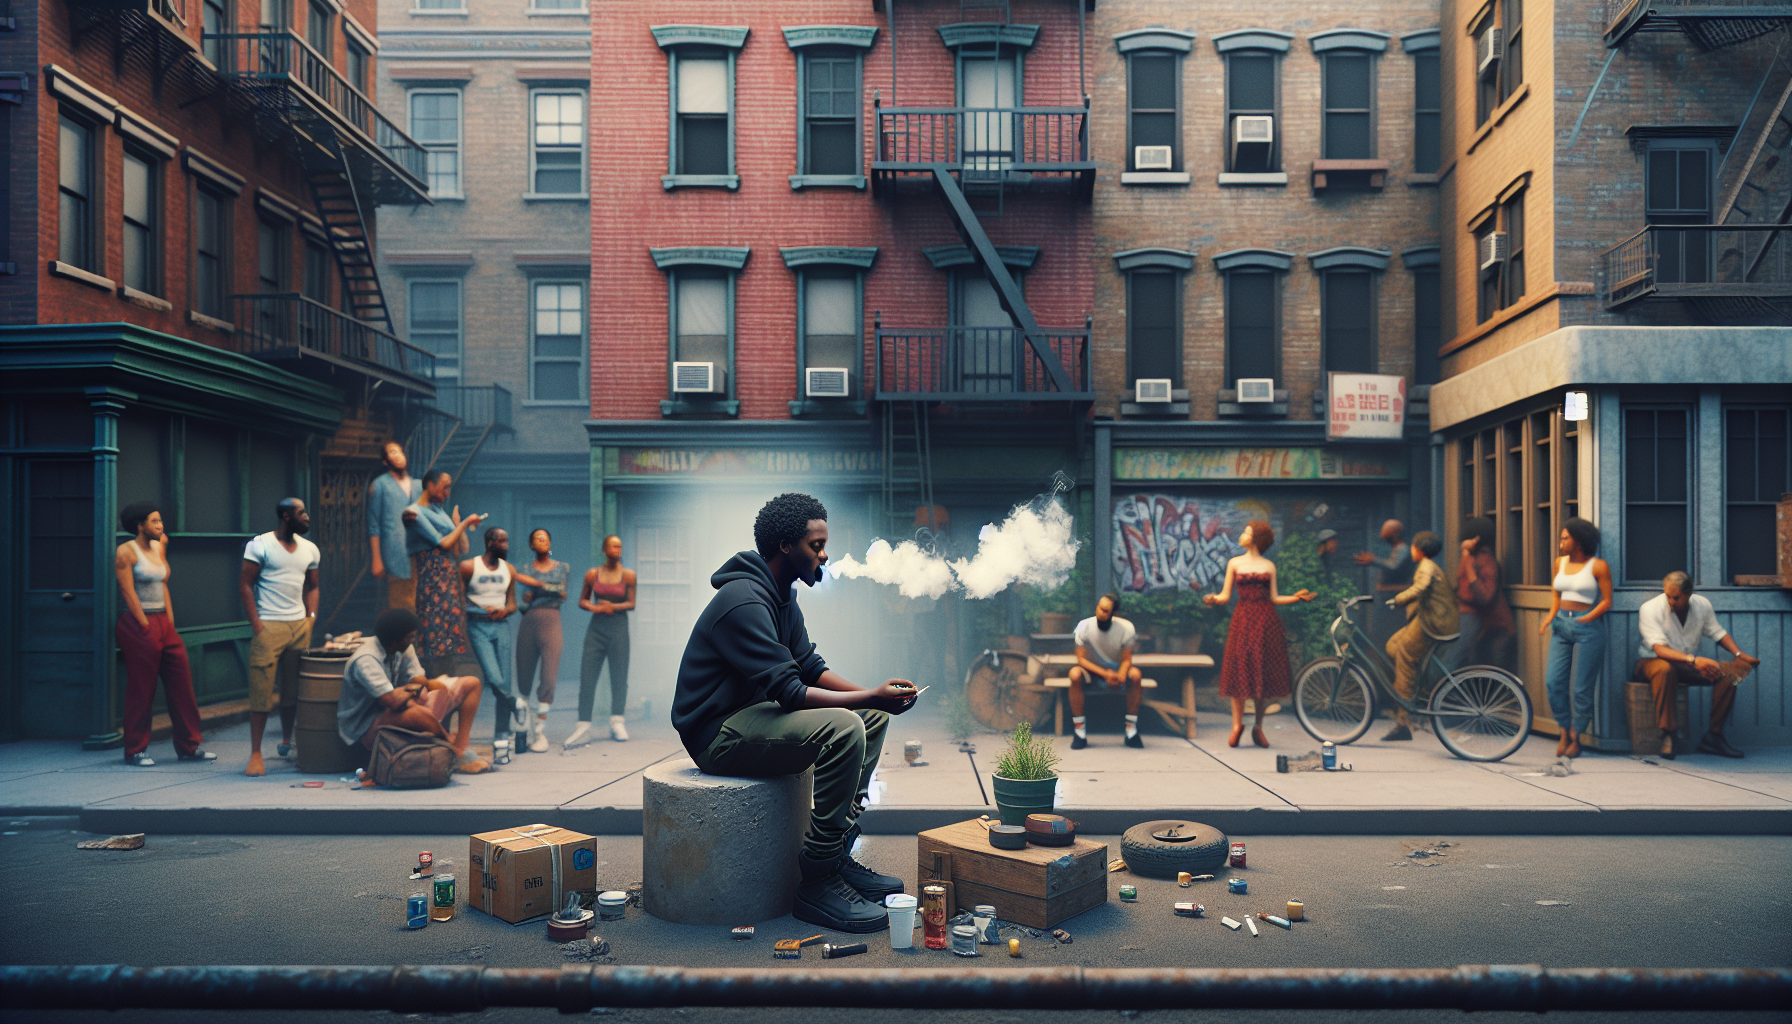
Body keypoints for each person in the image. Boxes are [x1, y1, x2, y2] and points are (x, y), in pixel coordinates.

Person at [672, 492, 917, 933]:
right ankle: (818, 879)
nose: (824, 555)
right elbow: (791, 692)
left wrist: (876, 698)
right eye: (816, 546)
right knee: (846, 726)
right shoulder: (743, 602)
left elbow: (811, 669)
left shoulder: (783, 597)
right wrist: (868, 697)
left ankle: (837, 848)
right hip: (717, 735)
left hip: (754, 714)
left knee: (870, 718)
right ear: (786, 546)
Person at [113, 501, 215, 767]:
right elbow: (127, 591)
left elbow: (163, 582)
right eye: (154, 521)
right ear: (140, 526)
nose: (160, 526)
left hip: (162, 621)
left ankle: (189, 747)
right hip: (137, 622)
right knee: (141, 687)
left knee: (181, 682)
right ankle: (135, 750)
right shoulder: (126, 552)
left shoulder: (161, 544)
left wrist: (169, 622)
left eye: (161, 521)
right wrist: (144, 625)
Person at [337, 608, 490, 774]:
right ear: (395, 641)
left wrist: (415, 689)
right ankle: (454, 750)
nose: (413, 640)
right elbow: (392, 701)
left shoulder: (402, 647)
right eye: (410, 637)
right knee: (419, 714)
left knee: (471, 684)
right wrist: (415, 689)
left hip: (401, 703)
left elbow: (419, 681)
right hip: (366, 726)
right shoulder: (366, 660)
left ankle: (461, 745)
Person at [1204, 521, 1315, 749]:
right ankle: (1237, 725)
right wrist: (1213, 599)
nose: (1242, 534)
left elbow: (1274, 597)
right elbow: (1225, 596)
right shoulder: (1234, 563)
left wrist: (1296, 597)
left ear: (1256, 538)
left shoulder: (1269, 566)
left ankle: (1258, 726)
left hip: (1265, 620)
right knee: (1239, 669)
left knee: (1261, 671)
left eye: (1247, 532)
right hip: (1243, 619)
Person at [1634, 572, 1760, 759]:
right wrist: (1694, 661)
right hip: (1651, 662)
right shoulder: (1650, 608)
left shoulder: (1702, 605)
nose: (1670, 601)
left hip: (1686, 663)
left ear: (1689, 593)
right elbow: (1659, 650)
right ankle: (1668, 734)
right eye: (1667, 595)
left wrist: (1739, 655)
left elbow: (1717, 633)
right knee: (1664, 668)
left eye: (1676, 597)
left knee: (1729, 673)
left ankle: (1713, 737)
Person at [239, 498, 321, 776]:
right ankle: (255, 753)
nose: (307, 517)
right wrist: (257, 625)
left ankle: (287, 741)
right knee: (261, 691)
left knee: (293, 689)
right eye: (302, 512)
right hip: (269, 625)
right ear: (286, 516)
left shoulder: (310, 549)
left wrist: (310, 619)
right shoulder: (260, 545)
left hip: (299, 626)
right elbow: (245, 585)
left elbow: (313, 586)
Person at [460, 527, 544, 765]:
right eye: (502, 541)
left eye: (507, 541)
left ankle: (501, 743)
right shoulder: (469, 567)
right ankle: (516, 703)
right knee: (493, 677)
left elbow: (512, 605)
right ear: (489, 542)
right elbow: (458, 599)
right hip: (477, 624)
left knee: (504, 682)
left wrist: (504, 610)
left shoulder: (508, 570)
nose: (506, 545)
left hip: (501, 626)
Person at [1540, 517, 1613, 759]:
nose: (1560, 542)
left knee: (1582, 688)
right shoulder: (1559, 563)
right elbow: (1556, 594)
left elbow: (1606, 601)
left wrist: (1588, 617)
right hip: (1561, 624)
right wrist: (1551, 616)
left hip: (1588, 627)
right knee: (1553, 681)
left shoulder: (1598, 566)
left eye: (1565, 537)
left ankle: (1576, 736)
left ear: (1579, 541)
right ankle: (1563, 729)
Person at [1381, 532, 1461, 741]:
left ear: (1419, 549)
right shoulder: (1427, 565)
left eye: (1414, 547)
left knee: (1406, 660)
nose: (1412, 550)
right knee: (1393, 646)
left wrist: (1398, 599)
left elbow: (1421, 586)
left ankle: (1404, 721)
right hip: (1426, 620)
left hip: (1430, 623)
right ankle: (1411, 688)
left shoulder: (1426, 566)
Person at [402, 470, 482, 677]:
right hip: (432, 579)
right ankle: (436, 683)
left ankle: (448, 685)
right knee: (433, 634)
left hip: (449, 579)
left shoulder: (439, 511)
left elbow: (462, 546)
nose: (448, 492)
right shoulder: (414, 512)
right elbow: (443, 542)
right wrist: (464, 524)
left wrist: (458, 524)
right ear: (429, 485)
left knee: (447, 636)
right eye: (444, 486)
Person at [567, 534, 637, 748]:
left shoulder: (628, 575)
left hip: (618, 627)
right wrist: (596, 608)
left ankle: (617, 720)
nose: (618, 550)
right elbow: (582, 601)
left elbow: (631, 603)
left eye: (620, 547)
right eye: (614, 546)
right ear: (605, 549)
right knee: (588, 674)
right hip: (597, 627)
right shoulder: (593, 574)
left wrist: (611, 607)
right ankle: (583, 723)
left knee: (619, 675)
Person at [515, 528, 570, 753]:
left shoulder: (562, 567)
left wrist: (536, 587)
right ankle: (523, 727)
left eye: (546, 538)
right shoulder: (524, 569)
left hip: (551, 621)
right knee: (524, 675)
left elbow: (561, 591)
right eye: (538, 539)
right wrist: (533, 596)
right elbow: (521, 603)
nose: (543, 541)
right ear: (531, 545)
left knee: (549, 676)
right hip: (529, 622)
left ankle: (540, 730)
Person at [1066, 593, 1145, 750]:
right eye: (1099, 608)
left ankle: (1131, 731)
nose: (1100, 613)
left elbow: (1127, 659)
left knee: (1136, 675)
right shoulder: (1084, 626)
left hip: (1115, 669)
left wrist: (1121, 675)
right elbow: (1081, 659)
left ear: (1113, 613)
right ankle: (1079, 733)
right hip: (1092, 670)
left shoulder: (1126, 628)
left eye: (1106, 610)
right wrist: (1104, 674)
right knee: (1074, 674)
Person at [1452, 517, 1515, 672]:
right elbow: (1460, 583)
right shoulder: (1472, 557)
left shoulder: (1487, 562)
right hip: (1485, 631)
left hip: (1498, 631)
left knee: (1495, 681)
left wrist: (1466, 558)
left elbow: (1484, 597)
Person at [367, 442, 422, 610]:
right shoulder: (380, 485)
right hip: (395, 550)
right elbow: (374, 524)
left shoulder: (418, 485)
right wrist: (376, 559)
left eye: (400, 451)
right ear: (386, 461)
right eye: (392, 452)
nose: (398, 455)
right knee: (400, 600)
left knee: (419, 596)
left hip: (419, 549)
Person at [1356, 519, 1414, 644]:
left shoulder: (1402, 549)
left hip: (1396, 599)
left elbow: (1393, 565)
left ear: (1395, 533)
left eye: (1385, 531)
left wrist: (1373, 559)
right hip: (1390, 598)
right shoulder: (1395, 549)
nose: (1382, 535)